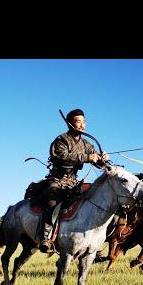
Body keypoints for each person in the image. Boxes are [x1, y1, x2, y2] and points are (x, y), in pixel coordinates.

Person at [38, 108, 109, 253]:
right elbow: (61, 156)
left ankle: (90, 240)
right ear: (70, 124)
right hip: (57, 179)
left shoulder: (87, 144)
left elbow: (96, 161)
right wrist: (85, 158)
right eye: (78, 122)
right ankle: (46, 237)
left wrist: (102, 159)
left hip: (74, 182)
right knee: (53, 200)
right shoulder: (61, 140)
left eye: (84, 122)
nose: (82, 125)